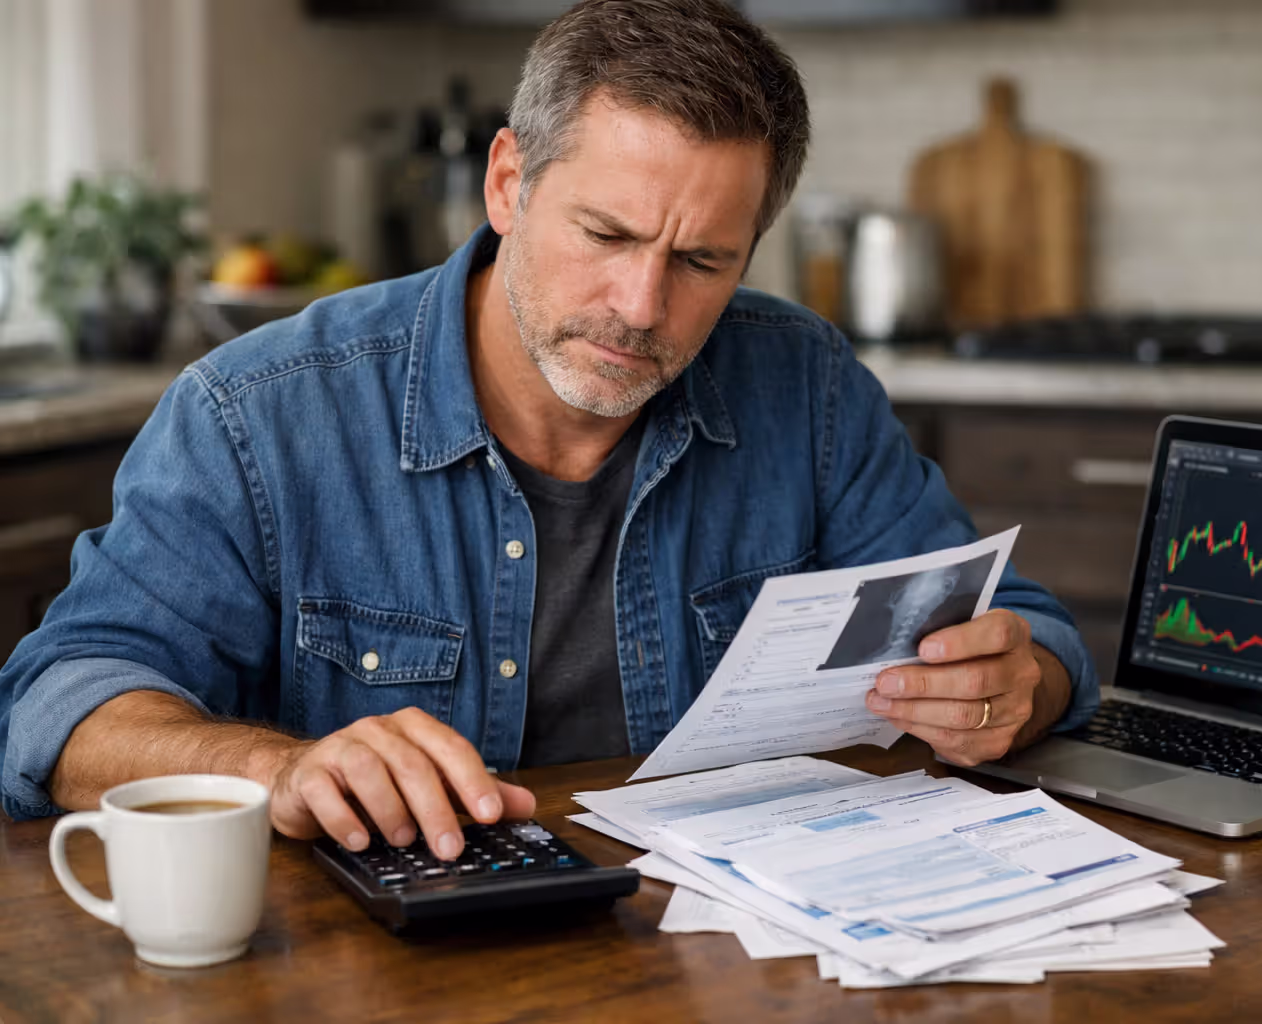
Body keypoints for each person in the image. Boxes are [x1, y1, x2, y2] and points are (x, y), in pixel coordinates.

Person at [0, 0, 1098, 863]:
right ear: (508, 183)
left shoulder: (800, 381)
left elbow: (1025, 632)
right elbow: (65, 703)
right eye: (605, 233)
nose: (639, 304)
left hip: (721, 949)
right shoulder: (259, 411)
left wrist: (1014, 684)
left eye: (702, 261)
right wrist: (274, 767)